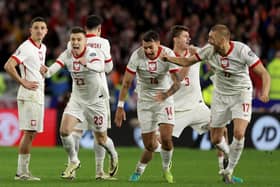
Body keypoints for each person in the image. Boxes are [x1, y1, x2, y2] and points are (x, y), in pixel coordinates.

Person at [163, 24, 271, 184]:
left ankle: (229, 170)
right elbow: (186, 62)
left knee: (239, 133)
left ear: (224, 39)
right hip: (220, 96)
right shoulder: (209, 50)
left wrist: (265, 92)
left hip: (241, 94)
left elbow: (263, 73)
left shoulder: (241, 50)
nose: (209, 41)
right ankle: (227, 161)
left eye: (211, 38)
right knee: (215, 139)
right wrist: (168, 58)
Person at [135, 25, 241, 183]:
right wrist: (192, 58)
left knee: (222, 130)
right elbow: (180, 78)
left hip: (197, 106)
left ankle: (224, 172)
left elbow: (215, 63)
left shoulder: (196, 52)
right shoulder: (167, 57)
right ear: (175, 39)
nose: (188, 39)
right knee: (154, 143)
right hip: (177, 109)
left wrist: (205, 61)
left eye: (189, 36)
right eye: (185, 36)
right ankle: (138, 170)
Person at [40, 26, 118, 180]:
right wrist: (46, 71)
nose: (75, 42)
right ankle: (74, 161)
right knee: (64, 131)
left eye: (79, 39)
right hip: (77, 99)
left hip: (96, 101)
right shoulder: (68, 53)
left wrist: (86, 63)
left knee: (101, 139)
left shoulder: (92, 53)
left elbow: (100, 66)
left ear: (85, 41)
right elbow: (54, 68)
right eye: (73, 39)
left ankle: (113, 154)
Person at [114, 30, 181, 183]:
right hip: (144, 101)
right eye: (145, 47)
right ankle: (139, 169)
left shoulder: (168, 54)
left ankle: (166, 168)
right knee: (149, 145)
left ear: (158, 44)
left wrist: (165, 95)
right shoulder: (136, 56)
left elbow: (177, 83)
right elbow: (126, 83)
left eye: (151, 47)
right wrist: (120, 106)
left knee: (166, 138)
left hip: (164, 98)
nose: (148, 51)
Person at [67, 15, 117, 180]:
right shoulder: (103, 42)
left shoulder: (73, 42)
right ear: (100, 28)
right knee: (99, 135)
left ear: (84, 28)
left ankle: (71, 169)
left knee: (75, 132)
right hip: (98, 92)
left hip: (79, 92)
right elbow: (109, 68)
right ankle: (99, 171)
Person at [4, 17, 48, 181]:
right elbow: (9, 65)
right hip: (29, 95)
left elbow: (34, 66)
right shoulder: (26, 47)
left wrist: (42, 70)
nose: (39, 30)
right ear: (30, 30)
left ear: (46, 31)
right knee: (29, 132)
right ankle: (21, 173)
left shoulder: (42, 48)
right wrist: (23, 81)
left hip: (38, 95)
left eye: (42, 28)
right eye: (36, 27)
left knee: (32, 133)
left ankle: (23, 171)